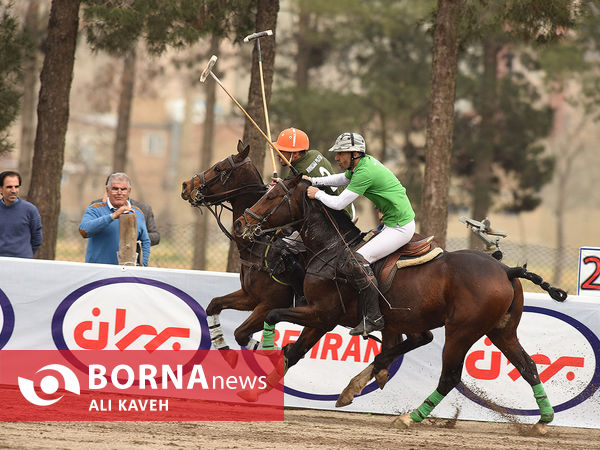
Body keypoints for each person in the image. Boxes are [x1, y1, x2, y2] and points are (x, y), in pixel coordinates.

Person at [305, 132, 416, 336]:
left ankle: (373, 317)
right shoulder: (360, 166)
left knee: (357, 260)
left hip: (399, 227)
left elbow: (339, 204)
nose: (337, 158)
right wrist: (314, 180)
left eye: (341, 154)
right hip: (394, 223)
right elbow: (341, 179)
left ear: (355, 153)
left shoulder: (364, 172)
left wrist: (317, 193)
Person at [270, 128, 353, 306]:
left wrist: (280, 188)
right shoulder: (314, 154)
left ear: (295, 153)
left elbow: (294, 199)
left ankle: (302, 295)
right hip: (348, 211)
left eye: (282, 150)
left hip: (333, 221)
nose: (278, 153)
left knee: (282, 248)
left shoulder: (297, 173)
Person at [79, 172, 151, 266]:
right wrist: (113, 216)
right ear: (107, 190)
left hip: (127, 272)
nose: (119, 193)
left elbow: (146, 241)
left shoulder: (138, 213)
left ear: (129, 191)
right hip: (98, 272)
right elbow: (84, 231)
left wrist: (143, 265)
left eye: (123, 189)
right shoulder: (95, 209)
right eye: (115, 189)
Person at [0, 171, 42, 258]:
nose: (13, 191)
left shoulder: (31, 210)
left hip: (23, 263)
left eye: (16, 187)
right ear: (0, 189)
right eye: (9, 187)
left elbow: (37, 239)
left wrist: (24, 255)